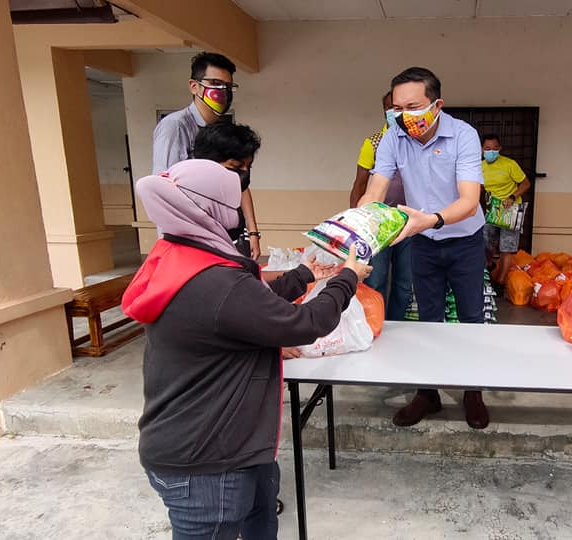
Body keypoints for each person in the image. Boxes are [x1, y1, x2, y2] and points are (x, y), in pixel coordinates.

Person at [123, 159, 371, 539]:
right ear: (216, 210)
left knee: (260, 521)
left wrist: (303, 275)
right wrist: (348, 279)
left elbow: (241, 307)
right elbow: (302, 325)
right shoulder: (218, 281)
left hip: (230, 446)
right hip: (207, 462)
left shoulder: (178, 256)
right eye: (234, 203)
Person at [358, 67, 489, 429]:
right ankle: (427, 393)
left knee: (470, 318)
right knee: (428, 320)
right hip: (424, 243)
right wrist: (357, 223)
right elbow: (375, 189)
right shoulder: (391, 137)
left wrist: (428, 220)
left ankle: (472, 390)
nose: (403, 116)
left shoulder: (463, 135)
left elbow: (469, 200)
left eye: (412, 107)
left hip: (464, 241)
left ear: (436, 104)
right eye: (396, 108)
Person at [152, 52, 263, 259]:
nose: (222, 91)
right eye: (215, 83)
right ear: (194, 86)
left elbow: (239, 183)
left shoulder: (221, 129)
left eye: (228, 86)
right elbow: (166, 190)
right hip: (193, 241)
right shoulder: (175, 127)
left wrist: (252, 232)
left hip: (226, 232)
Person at [349, 91, 413, 321]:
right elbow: (360, 183)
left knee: (405, 281)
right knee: (376, 278)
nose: (396, 113)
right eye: (391, 107)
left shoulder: (414, 142)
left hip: (409, 221)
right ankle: (377, 322)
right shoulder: (373, 142)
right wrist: (356, 221)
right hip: (378, 222)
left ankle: (396, 323)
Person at [192, 122, 263, 258]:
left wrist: (252, 232)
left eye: (249, 167)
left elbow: (242, 189)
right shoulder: (192, 206)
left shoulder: (232, 189)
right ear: (207, 164)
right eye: (236, 166)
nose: (244, 173)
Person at [480, 133, 530, 284]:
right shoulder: (478, 167)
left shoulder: (509, 164)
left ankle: (500, 282)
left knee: (506, 248)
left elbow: (526, 183)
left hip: (511, 211)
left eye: (495, 148)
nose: (491, 151)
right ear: (482, 149)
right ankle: (489, 266)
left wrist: (512, 197)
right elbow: (478, 188)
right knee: (486, 244)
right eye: (488, 148)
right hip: (491, 211)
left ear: (500, 148)